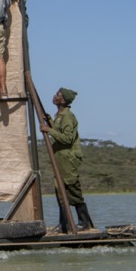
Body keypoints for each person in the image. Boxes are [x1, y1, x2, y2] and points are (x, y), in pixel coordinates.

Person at [40, 87, 95, 232]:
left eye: (57, 95)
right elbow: (59, 131)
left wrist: (48, 130)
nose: (54, 96)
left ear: (63, 100)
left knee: (72, 189)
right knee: (60, 191)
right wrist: (50, 121)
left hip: (68, 159)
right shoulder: (59, 116)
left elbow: (67, 138)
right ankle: (63, 224)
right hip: (60, 159)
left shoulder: (68, 116)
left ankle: (84, 222)